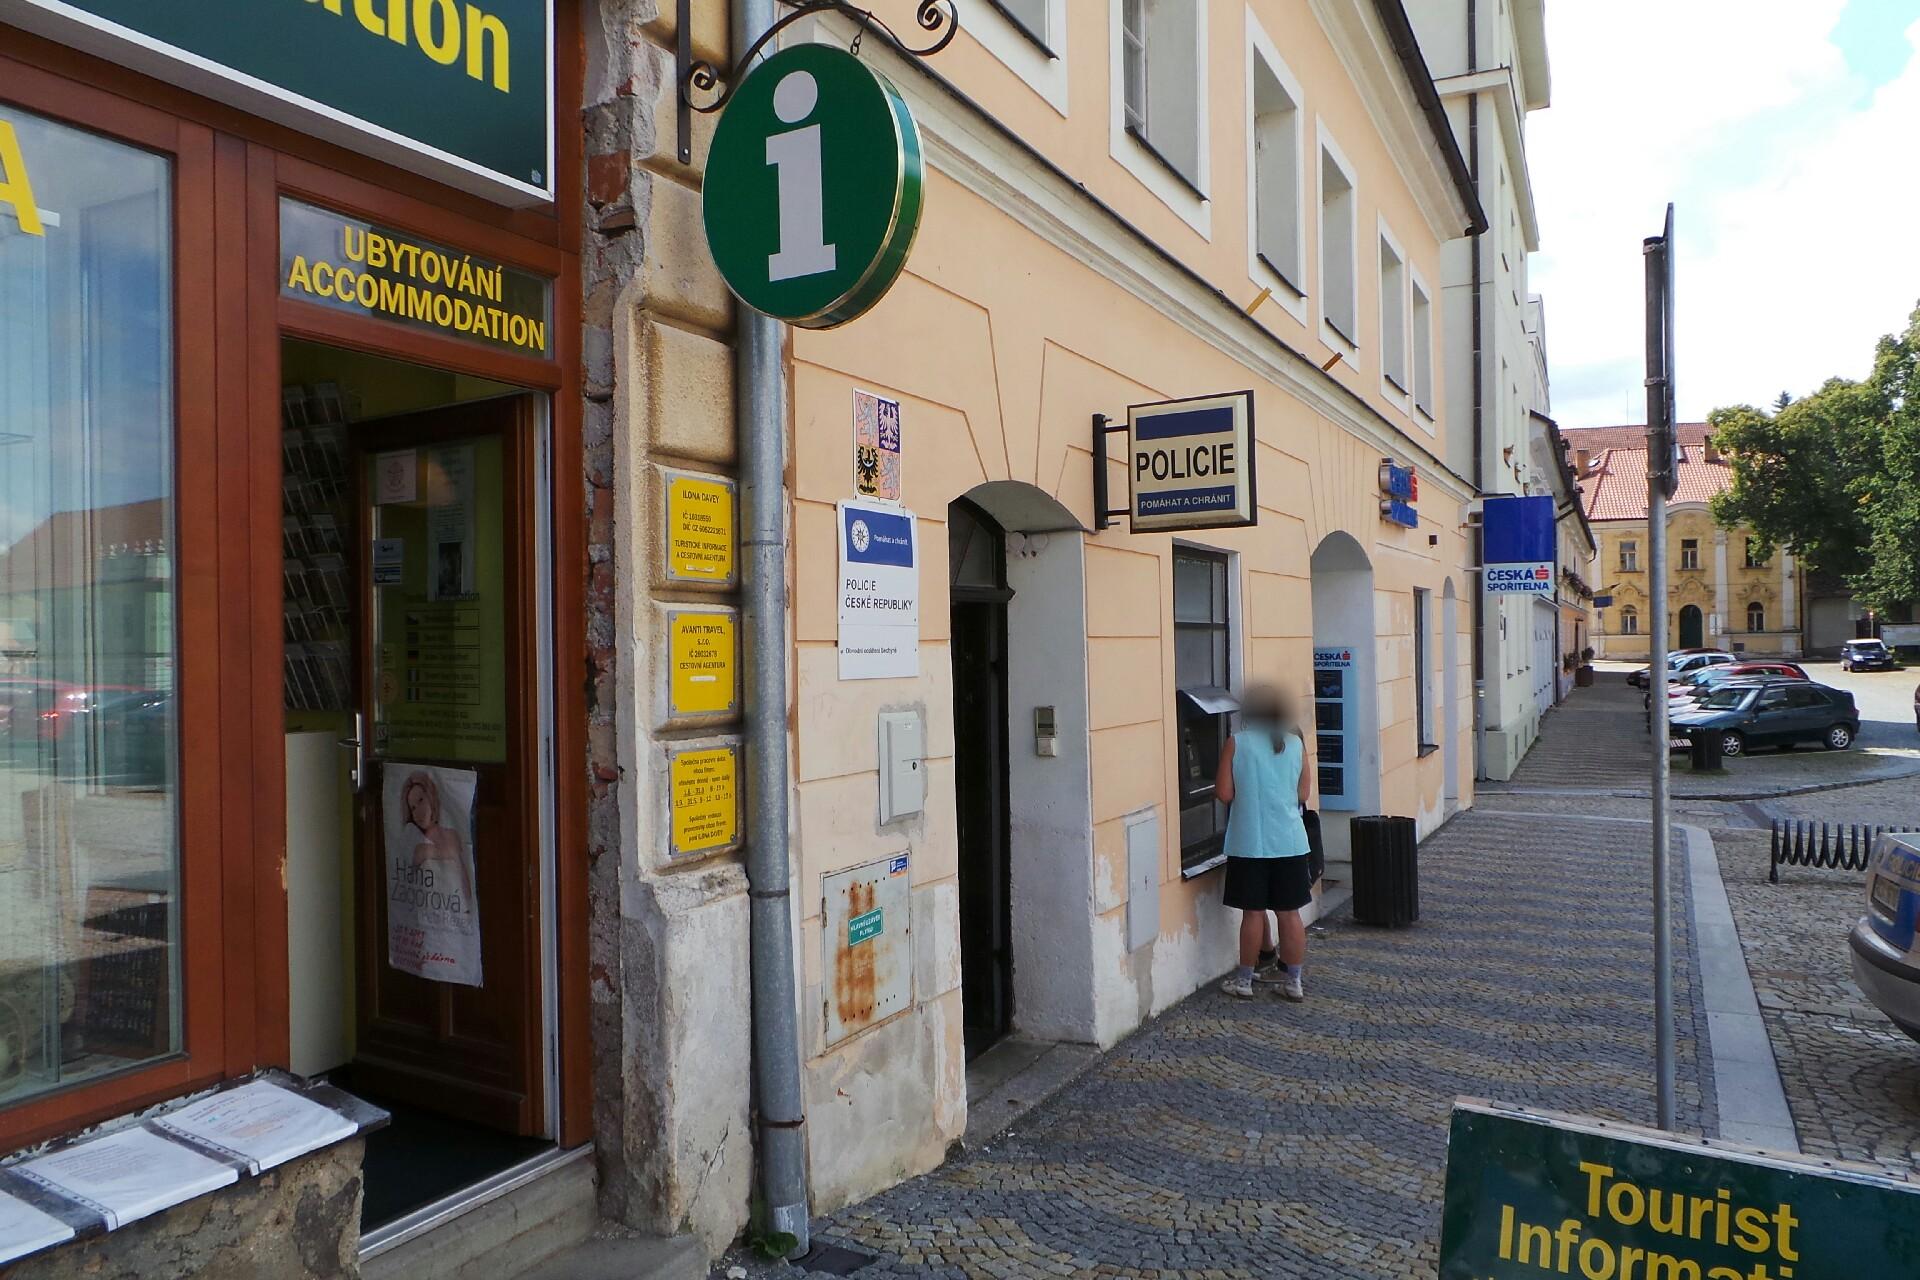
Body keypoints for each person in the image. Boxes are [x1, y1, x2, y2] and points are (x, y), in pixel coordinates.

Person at [1215, 684, 1313, 1001]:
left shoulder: (1237, 743)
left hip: (1250, 841)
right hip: (1291, 841)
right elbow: (1303, 794)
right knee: (1290, 913)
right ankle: (1294, 982)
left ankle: (1244, 981)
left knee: (1253, 913)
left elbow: (1224, 794)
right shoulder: (1296, 744)